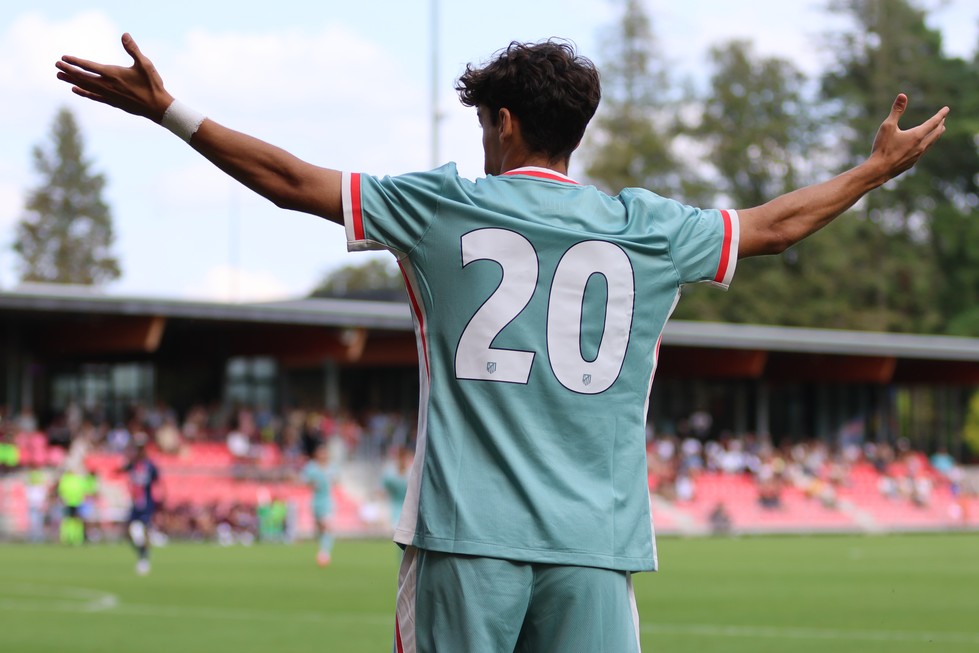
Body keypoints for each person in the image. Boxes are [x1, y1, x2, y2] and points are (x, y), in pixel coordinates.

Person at [56, 34, 947, 652]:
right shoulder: (648, 228)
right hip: (594, 548)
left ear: (507, 123)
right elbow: (776, 229)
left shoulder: (442, 206)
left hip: (464, 537)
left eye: (485, 115)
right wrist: (873, 168)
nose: (480, 132)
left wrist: (167, 111)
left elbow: (291, 182)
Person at [121, 439, 162, 575]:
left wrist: (161, 499)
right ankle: (143, 553)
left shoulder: (149, 466)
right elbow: (121, 471)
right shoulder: (133, 465)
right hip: (135, 504)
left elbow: (158, 482)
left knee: (141, 530)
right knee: (131, 532)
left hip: (146, 504)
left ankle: (144, 558)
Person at [301, 442, 339, 566]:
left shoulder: (331, 467)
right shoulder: (311, 467)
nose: (323, 455)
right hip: (316, 501)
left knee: (327, 526)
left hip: (327, 501)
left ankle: (324, 553)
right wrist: (312, 484)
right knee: (319, 529)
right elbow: (304, 480)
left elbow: (335, 480)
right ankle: (322, 549)